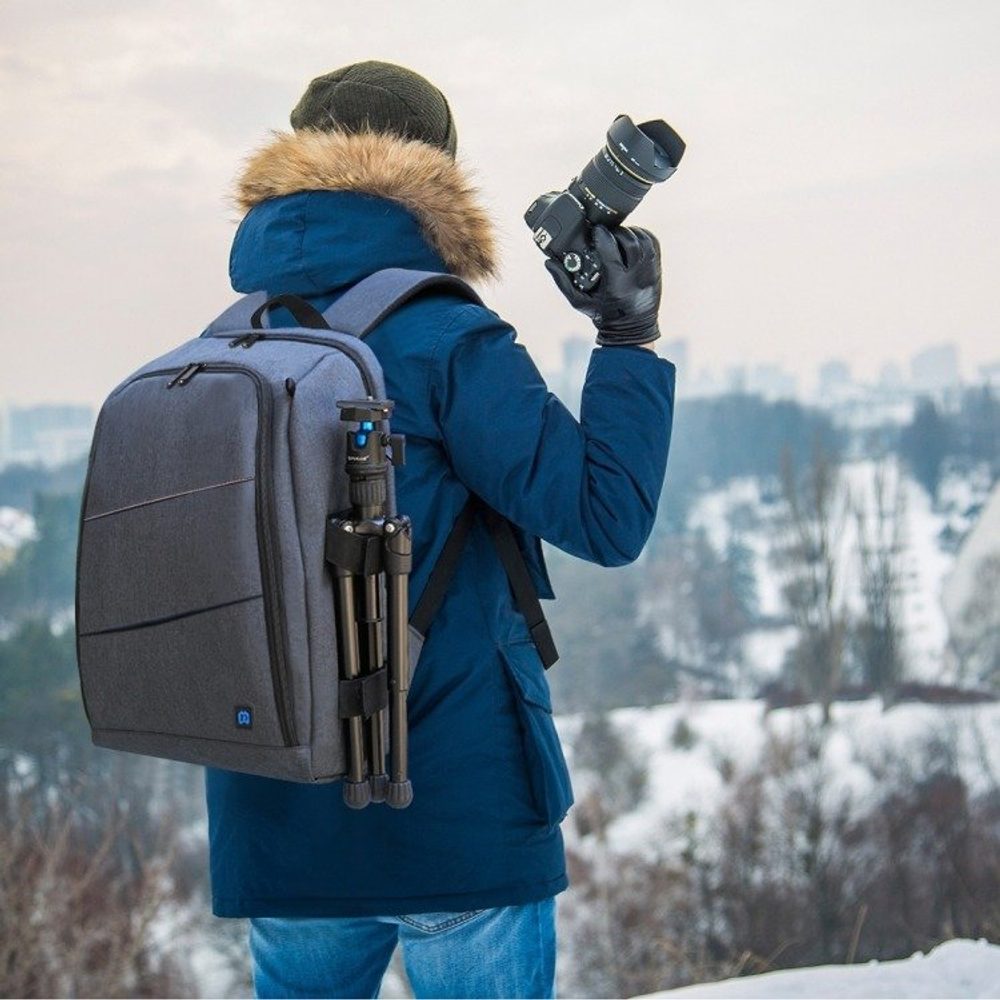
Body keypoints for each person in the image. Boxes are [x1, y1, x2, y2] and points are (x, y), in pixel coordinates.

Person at [204, 60, 676, 1000]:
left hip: (278, 825)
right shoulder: (446, 337)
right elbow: (605, 515)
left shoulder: (224, 346)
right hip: (455, 812)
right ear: (438, 178)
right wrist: (627, 337)